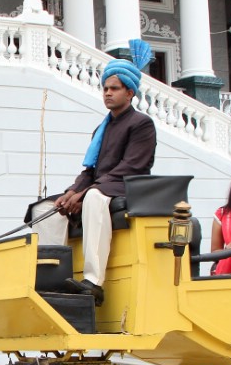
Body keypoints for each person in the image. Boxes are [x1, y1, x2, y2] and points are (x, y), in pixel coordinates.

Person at [28, 40, 157, 306]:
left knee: (95, 198)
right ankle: (50, 279)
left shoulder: (141, 124)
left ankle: (93, 282)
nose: (107, 93)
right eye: (105, 89)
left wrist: (85, 193)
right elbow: (90, 170)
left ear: (130, 92)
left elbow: (131, 166)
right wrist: (71, 193)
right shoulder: (102, 128)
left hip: (127, 185)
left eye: (114, 89)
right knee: (45, 209)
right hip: (100, 185)